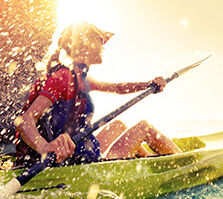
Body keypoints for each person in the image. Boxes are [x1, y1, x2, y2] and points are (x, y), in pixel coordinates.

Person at [14, 21, 182, 166]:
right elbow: (25, 120)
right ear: (86, 44)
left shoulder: (81, 77)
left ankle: (150, 161)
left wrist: (149, 84)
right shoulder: (64, 77)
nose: (104, 47)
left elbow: (119, 88)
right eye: (101, 40)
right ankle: (185, 164)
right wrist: (44, 147)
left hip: (83, 153)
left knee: (119, 126)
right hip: (76, 163)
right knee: (145, 128)